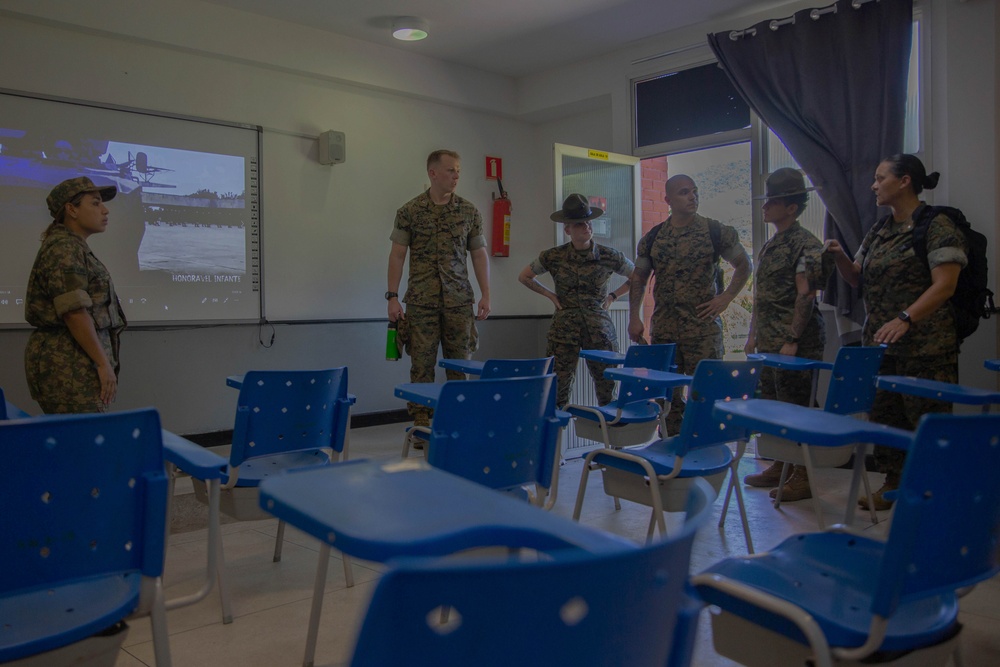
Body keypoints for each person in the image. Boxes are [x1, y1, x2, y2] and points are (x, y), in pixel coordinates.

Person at [825, 154, 966, 510]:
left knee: (927, 422)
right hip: (883, 347)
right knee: (887, 419)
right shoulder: (879, 230)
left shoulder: (937, 225)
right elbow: (856, 276)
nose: (873, 185)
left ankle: (934, 496)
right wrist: (840, 255)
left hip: (926, 348)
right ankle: (894, 484)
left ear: (904, 181)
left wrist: (905, 318)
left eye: (880, 177)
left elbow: (945, 285)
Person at [628, 174, 752, 435]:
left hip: (702, 331)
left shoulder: (714, 231)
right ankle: (671, 451)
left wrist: (727, 297)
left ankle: (707, 450)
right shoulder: (653, 238)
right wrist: (634, 317)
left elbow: (744, 264)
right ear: (668, 200)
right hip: (665, 332)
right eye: (684, 192)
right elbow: (638, 277)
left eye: (694, 191)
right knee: (666, 399)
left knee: (707, 395)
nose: (692, 196)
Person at [743, 168, 832, 501]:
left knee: (797, 407)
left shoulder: (807, 244)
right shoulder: (772, 243)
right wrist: (753, 334)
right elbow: (763, 295)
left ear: (792, 207)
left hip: (795, 341)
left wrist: (792, 339)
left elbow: (805, 294)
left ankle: (804, 474)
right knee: (773, 405)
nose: (765, 207)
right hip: (769, 340)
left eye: (773, 202)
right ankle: (781, 464)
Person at [387, 149, 491, 429]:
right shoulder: (409, 211)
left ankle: (459, 421)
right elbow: (397, 255)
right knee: (421, 365)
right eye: (450, 170)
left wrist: (486, 294)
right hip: (421, 301)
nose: (456, 175)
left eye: (458, 170)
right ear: (433, 173)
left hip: (459, 301)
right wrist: (392, 297)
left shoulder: (469, 211)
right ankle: (422, 423)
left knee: (461, 365)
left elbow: (479, 255)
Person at [518, 193, 634, 408]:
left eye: (588, 222)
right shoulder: (553, 257)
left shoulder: (608, 255)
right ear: (567, 229)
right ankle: (556, 439)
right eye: (579, 224)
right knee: (557, 391)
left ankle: (613, 440)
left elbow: (638, 278)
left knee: (607, 390)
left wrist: (613, 296)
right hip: (564, 330)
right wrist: (550, 295)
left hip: (599, 329)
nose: (586, 227)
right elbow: (524, 276)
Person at [24, 176, 127, 414]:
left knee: (79, 442)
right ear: (71, 209)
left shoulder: (73, 246)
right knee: (82, 444)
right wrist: (103, 364)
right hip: (69, 367)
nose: (105, 210)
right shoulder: (64, 249)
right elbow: (74, 312)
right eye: (95, 203)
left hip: (77, 362)